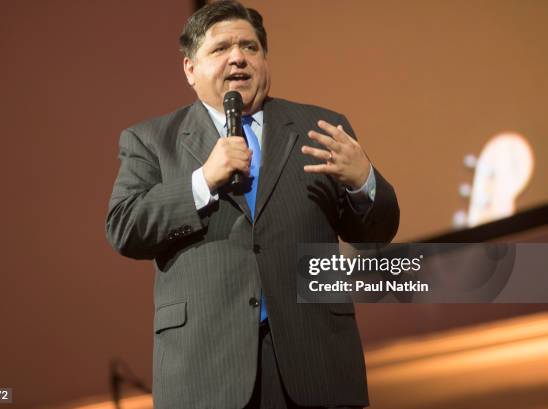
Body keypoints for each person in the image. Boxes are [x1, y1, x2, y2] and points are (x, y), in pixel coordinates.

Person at [105, 1, 399, 408]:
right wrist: (203, 180)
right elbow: (124, 227)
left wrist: (363, 180)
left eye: (250, 47)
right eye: (221, 48)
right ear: (190, 68)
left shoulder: (320, 128)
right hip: (207, 370)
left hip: (315, 362)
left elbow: (376, 234)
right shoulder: (152, 141)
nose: (238, 57)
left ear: (265, 58)